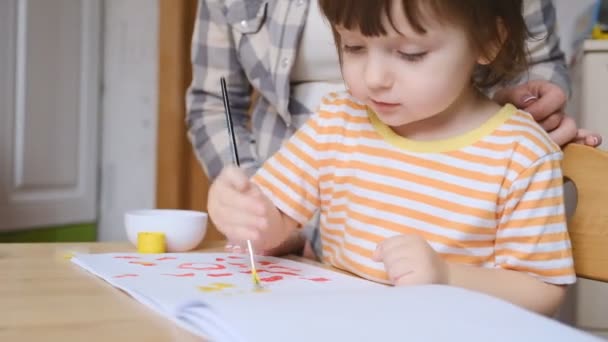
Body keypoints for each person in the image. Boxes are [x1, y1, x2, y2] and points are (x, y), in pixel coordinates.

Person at [207, 0, 575, 316]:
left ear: (489, 41)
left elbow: (542, 291)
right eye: (353, 47)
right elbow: (275, 223)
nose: (374, 77)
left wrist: (447, 276)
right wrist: (242, 211)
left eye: (410, 54)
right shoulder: (338, 122)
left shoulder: (522, 153)